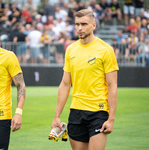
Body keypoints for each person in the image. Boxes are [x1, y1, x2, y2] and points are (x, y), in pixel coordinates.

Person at [51, 9, 119, 150]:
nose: (80, 28)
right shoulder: (70, 50)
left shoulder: (105, 50)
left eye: (84, 24)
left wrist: (111, 119)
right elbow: (65, 84)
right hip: (76, 111)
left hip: (98, 112)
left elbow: (113, 86)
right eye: (77, 24)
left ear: (94, 25)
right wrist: (56, 116)